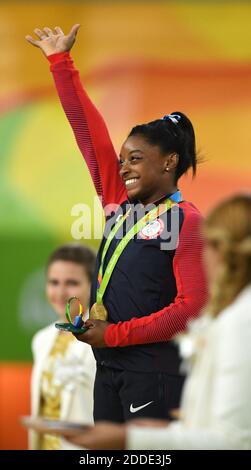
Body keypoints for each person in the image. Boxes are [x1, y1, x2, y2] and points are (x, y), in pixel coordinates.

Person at [26, 25, 207, 422]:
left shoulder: (187, 222)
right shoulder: (118, 203)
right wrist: (60, 63)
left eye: (136, 158)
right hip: (108, 369)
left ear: (169, 161)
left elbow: (189, 310)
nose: (123, 167)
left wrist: (114, 335)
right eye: (123, 159)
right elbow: (90, 137)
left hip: (154, 374)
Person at [60, 193, 251, 450]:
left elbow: (233, 441)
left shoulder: (240, 323)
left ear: (225, 251)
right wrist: (170, 431)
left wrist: (132, 439)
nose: (202, 255)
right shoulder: (232, 316)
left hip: (149, 373)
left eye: (208, 244)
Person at [29, 243, 96, 450]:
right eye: (54, 282)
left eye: (72, 283)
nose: (61, 292)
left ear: (93, 285)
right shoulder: (41, 339)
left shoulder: (103, 338)